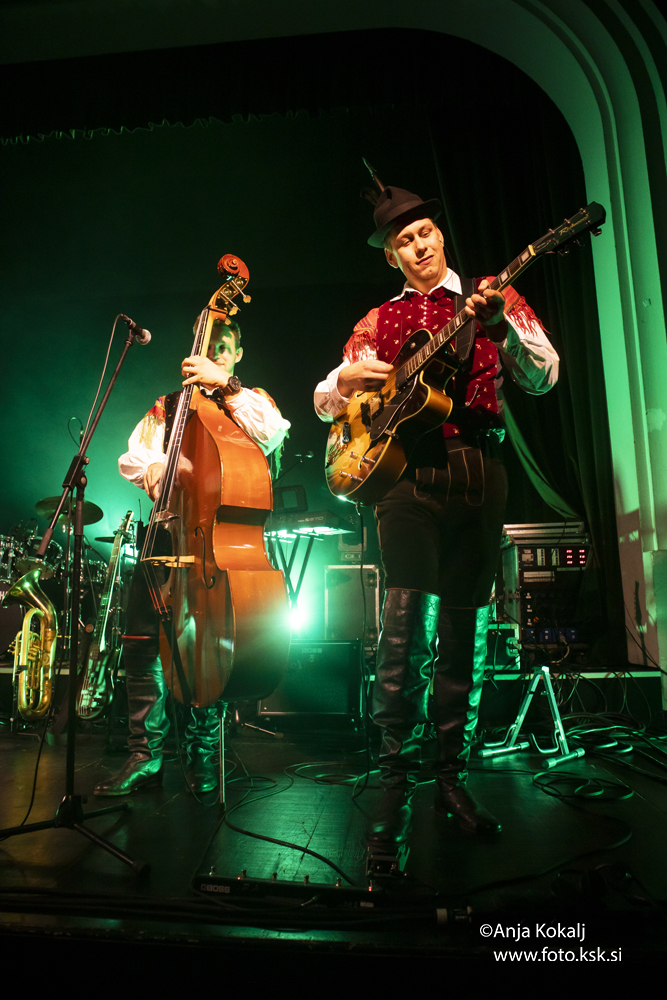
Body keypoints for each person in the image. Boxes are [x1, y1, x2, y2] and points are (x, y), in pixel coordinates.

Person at [314, 183, 559, 850]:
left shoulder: (491, 295)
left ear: (439, 235)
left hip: (478, 472)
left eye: (424, 232)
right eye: (404, 241)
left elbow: (544, 375)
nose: (418, 246)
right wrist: (342, 384)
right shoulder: (376, 321)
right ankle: (394, 781)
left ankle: (452, 777)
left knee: (463, 630)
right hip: (403, 481)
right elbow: (326, 401)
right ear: (391, 256)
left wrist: (500, 323)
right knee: (402, 632)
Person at [95, 317, 290, 796]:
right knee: (142, 643)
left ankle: (203, 754)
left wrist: (226, 385)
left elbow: (273, 434)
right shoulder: (169, 406)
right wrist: (154, 467)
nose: (216, 352)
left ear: (237, 354)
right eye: (209, 344)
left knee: (209, 646)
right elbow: (133, 454)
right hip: (166, 534)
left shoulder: (250, 400)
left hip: (214, 547)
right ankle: (144, 755)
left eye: (225, 346)